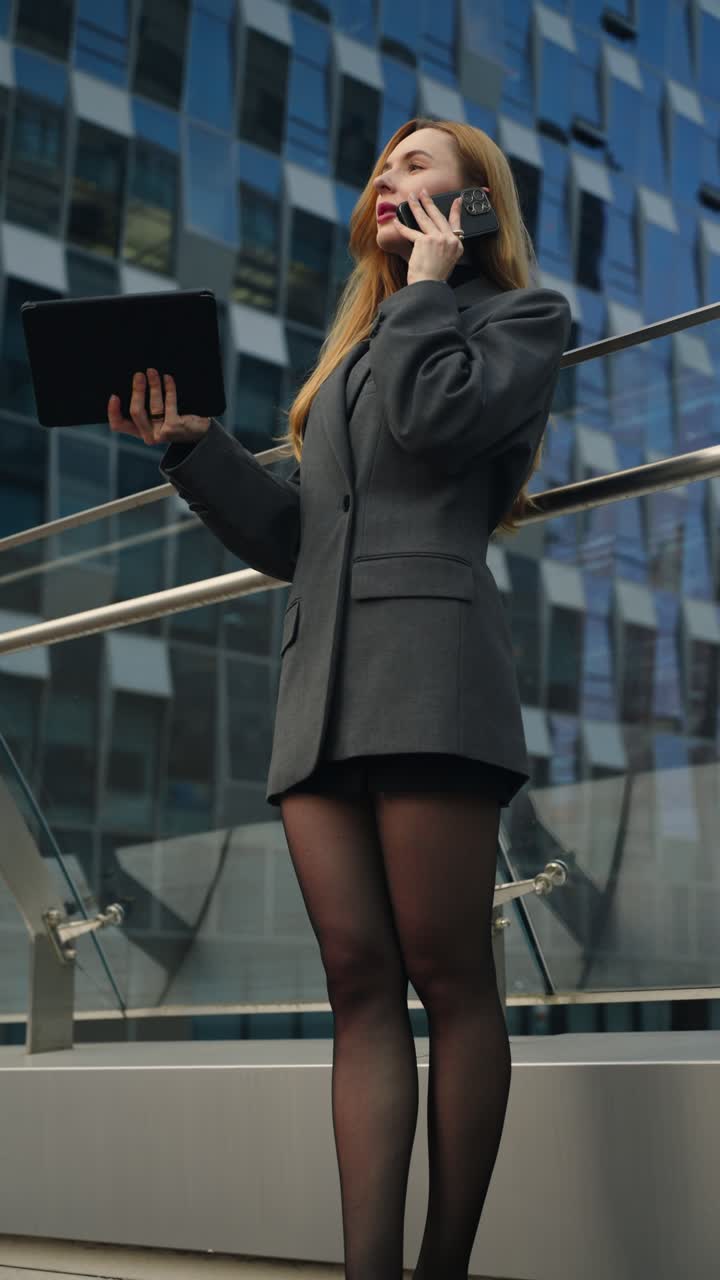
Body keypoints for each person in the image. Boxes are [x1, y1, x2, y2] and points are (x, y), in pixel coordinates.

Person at [108, 117, 571, 1280]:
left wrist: (424, 285)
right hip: (320, 686)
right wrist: (192, 447)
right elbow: (294, 539)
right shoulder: (352, 358)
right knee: (357, 982)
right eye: (381, 167)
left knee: (449, 972)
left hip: (434, 681)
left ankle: (441, 1267)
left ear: (473, 203)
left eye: (416, 164)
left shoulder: (518, 320)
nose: (387, 177)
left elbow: (440, 423)